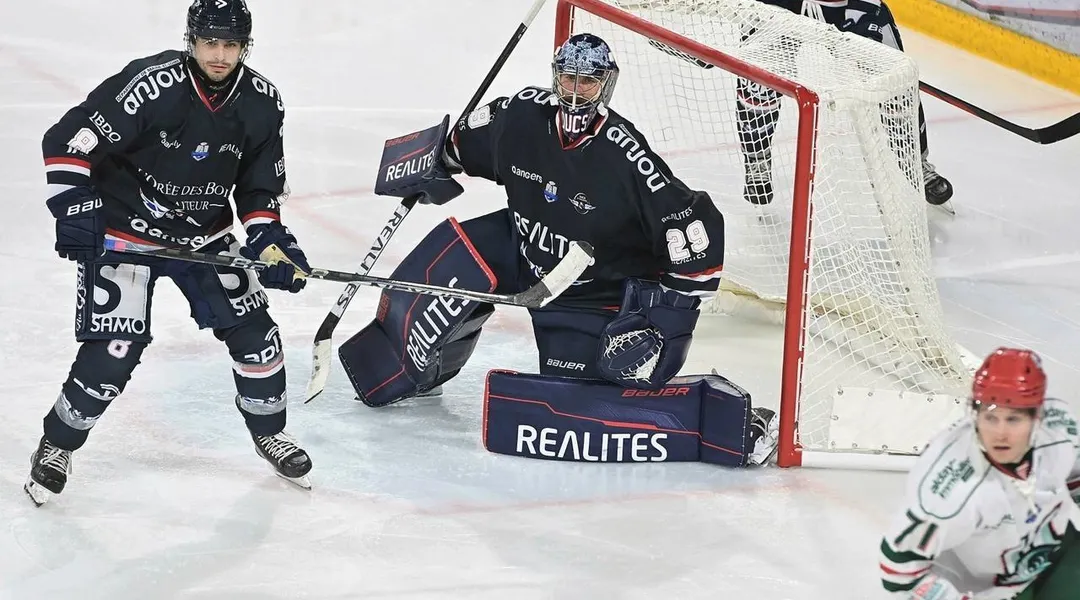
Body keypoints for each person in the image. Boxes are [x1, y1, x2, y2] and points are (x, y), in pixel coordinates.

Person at [340, 33, 778, 467]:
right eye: (567, 78)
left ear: (606, 83)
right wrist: (431, 162)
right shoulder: (521, 116)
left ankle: (730, 423)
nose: (574, 90)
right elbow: (460, 146)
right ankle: (410, 368)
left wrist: (659, 325)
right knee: (443, 259)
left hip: (588, 297)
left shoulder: (627, 158)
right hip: (519, 249)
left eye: (587, 81)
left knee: (572, 413)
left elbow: (695, 242)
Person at [26, 0, 313, 505]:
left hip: (202, 238)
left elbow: (258, 190)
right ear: (191, 40)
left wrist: (270, 241)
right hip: (125, 235)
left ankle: (270, 432)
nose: (220, 55)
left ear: (246, 46)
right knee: (114, 351)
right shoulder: (152, 85)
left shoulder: (262, 102)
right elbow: (67, 143)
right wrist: (75, 207)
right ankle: (57, 445)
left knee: (257, 336)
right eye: (210, 43)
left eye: (232, 45)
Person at [879, 348, 1080, 599]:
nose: (1000, 433)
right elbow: (898, 572)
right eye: (990, 417)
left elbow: (1075, 477)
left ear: (1037, 417)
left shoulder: (1060, 427)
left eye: (1013, 419)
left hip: (1057, 550)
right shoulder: (946, 489)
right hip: (996, 589)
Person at [739, 0, 954, 208]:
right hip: (778, 5)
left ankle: (915, 162)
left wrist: (864, 17)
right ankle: (756, 157)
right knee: (758, 83)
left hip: (840, 6)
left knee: (896, 82)